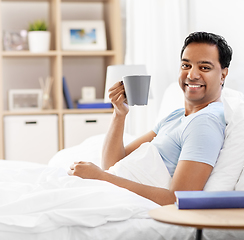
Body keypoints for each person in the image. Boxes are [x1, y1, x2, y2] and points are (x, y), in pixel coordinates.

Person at [68, 32, 233, 206]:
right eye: (186, 65)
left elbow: (177, 199)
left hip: (123, 200)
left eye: (204, 68)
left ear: (223, 75)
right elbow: (113, 163)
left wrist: (101, 177)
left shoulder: (204, 122)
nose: (192, 75)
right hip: (112, 192)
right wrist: (119, 113)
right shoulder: (176, 116)